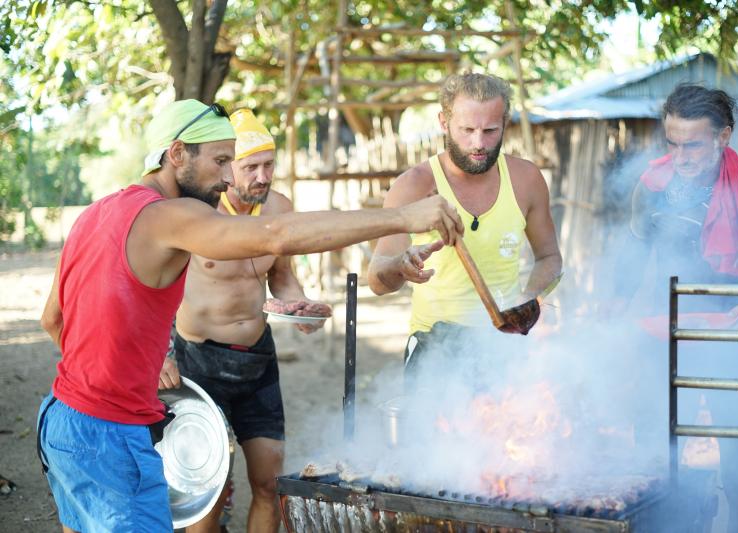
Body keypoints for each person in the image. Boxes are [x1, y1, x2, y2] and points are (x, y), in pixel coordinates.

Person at [37, 99, 463, 533]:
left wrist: (113, 372)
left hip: (62, 421)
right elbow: (275, 236)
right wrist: (402, 217)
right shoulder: (168, 215)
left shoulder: (94, 213)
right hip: (112, 436)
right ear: (177, 153)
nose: (228, 177)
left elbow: (53, 319)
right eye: (221, 160)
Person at [615, 84, 738, 533]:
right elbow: (628, 267)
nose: (681, 156)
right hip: (664, 347)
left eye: (693, 144)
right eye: (672, 143)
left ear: (724, 136)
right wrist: (614, 325)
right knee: (659, 481)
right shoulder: (652, 190)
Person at [158, 109, 326, 533]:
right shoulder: (197, 212)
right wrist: (159, 354)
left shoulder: (280, 209)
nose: (262, 176)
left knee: (269, 483)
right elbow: (155, 289)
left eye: (269, 164)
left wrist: (301, 308)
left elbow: (283, 278)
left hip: (258, 358)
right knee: (208, 493)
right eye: (251, 166)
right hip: (199, 361)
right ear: (228, 165)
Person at [367, 73, 562, 384]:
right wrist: (399, 267)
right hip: (434, 347)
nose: (479, 143)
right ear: (444, 122)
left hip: (504, 343)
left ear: (505, 123)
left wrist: (524, 302)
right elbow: (377, 281)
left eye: (490, 130)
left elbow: (550, 257)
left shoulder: (526, 180)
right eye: (467, 130)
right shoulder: (414, 185)